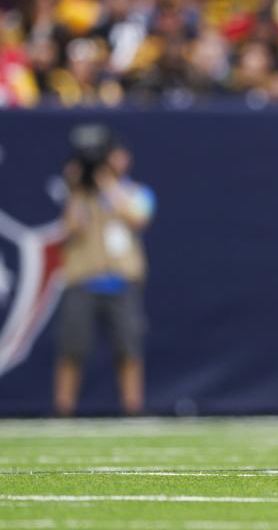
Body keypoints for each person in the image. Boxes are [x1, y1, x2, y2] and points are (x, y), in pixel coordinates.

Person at [54, 125, 156, 416]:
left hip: (123, 281)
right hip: (83, 279)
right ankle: (63, 410)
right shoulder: (79, 196)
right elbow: (69, 228)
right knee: (72, 349)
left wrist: (107, 183)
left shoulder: (136, 191)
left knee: (129, 350)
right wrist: (76, 189)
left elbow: (138, 217)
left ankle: (132, 408)